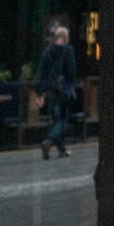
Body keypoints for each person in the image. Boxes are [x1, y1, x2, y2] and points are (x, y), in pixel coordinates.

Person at [35, 22, 78, 160]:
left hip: (51, 91)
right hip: (64, 91)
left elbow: (41, 73)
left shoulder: (47, 52)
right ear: (65, 37)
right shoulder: (68, 50)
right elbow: (72, 72)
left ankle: (62, 149)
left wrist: (39, 93)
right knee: (61, 121)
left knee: (56, 119)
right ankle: (48, 142)